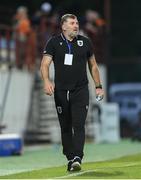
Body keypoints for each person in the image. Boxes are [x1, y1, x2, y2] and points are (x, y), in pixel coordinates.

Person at [40, 14, 104, 172]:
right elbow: (44, 64)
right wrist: (47, 81)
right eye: (72, 23)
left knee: (79, 124)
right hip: (61, 91)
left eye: (77, 22)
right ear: (64, 26)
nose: (76, 25)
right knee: (66, 127)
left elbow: (93, 66)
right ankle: (70, 157)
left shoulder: (85, 42)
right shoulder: (53, 42)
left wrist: (98, 86)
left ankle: (77, 157)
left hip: (81, 89)